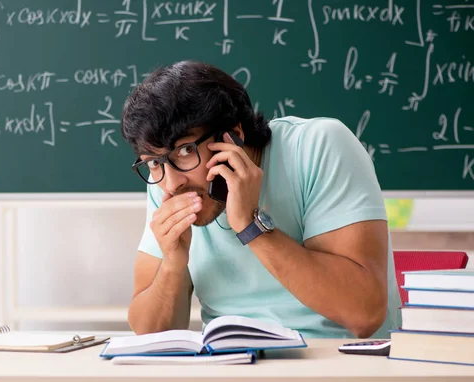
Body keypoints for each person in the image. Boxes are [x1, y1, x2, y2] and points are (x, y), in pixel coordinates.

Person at [120, 60, 401, 339]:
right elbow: (149, 332)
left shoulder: (318, 147)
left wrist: (251, 227)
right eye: (154, 163)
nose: (171, 182)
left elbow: (364, 314)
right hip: (232, 368)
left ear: (233, 136)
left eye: (184, 151)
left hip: (339, 368)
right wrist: (172, 263)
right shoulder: (168, 182)